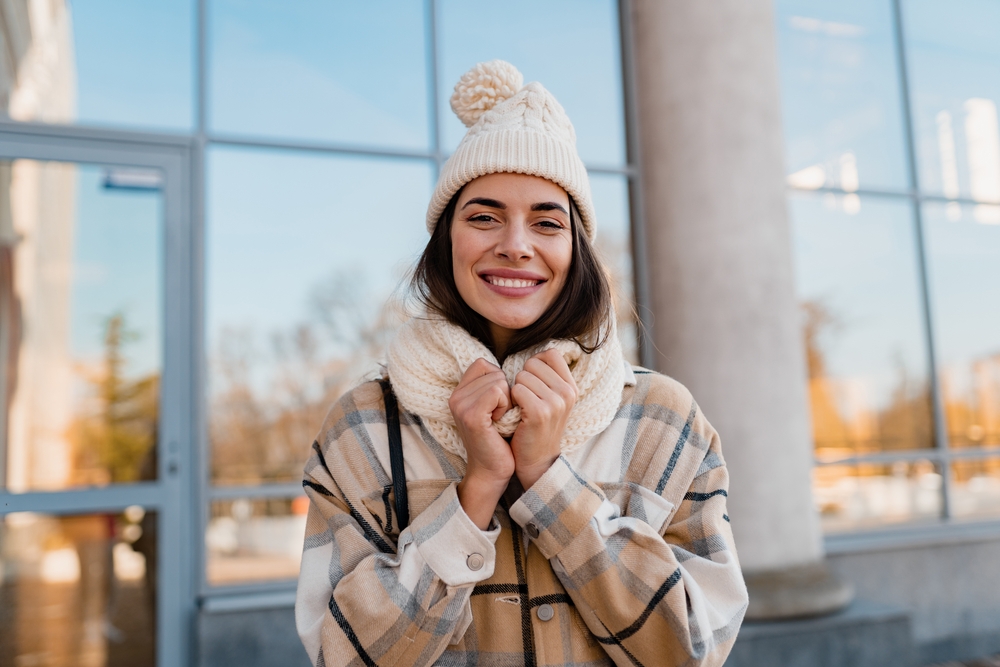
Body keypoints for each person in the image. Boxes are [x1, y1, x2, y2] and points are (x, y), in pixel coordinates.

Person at [295, 60, 748, 667]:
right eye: (483, 216)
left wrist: (548, 479)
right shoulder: (364, 425)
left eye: (546, 221)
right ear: (446, 242)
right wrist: (476, 491)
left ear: (575, 251)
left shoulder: (664, 420)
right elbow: (339, 657)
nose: (516, 243)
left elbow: (695, 650)